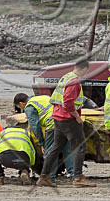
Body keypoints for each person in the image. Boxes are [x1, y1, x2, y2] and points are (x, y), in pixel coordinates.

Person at [37, 59, 96, 188]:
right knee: (80, 147)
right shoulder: (74, 81)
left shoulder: (65, 77)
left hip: (58, 117)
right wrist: (77, 117)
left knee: (56, 147)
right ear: (84, 69)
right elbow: (68, 102)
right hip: (69, 119)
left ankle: (44, 176)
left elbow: (56, 98)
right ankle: (78, 177)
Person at [14, 93, 74, 180]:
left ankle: (49, 178)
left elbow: (35, 126)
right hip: (67, 121)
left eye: (19, 107)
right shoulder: (43, 97)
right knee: (68, 150)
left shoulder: (29, 106)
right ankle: (74, 176)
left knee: (50, 152)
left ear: (21, 103)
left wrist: (41, 142)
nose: (21, 109)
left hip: (53, 124)